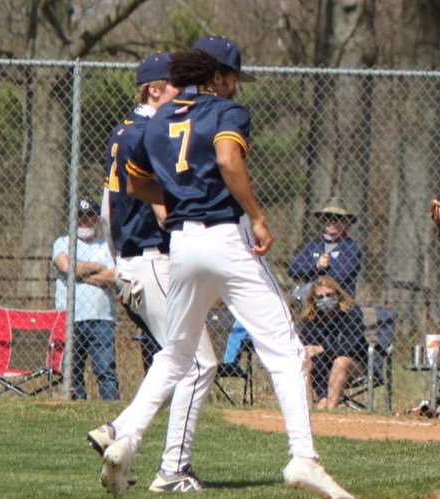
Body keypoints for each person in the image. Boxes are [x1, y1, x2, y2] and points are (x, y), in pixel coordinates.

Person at [91, 36, 353, 499]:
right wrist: (257, 216)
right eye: (232, 77)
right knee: (286, 351)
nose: (236, 85)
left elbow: (133, 183)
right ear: (216, 76)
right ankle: (304, 457)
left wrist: (176, 198)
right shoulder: (227, 113)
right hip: (225, 238)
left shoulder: (159, 120)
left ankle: (124, 433)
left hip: (183, 245)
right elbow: (229, 160)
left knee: (175, 354)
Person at [91, 51, 220, 493]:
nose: (184, 94)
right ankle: (171, 466)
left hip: (133, 259)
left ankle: (121, 436)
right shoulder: (151, 131)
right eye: (175, 87)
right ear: (153, 89)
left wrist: (120, 263)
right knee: (199, 363)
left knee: (178, 361)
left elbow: (109, 210)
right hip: (152, 258)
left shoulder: (125, 130)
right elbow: (166, 212)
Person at [54, 198, 119, 401]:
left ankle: (110, 408)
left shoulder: (107, 245)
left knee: (105, 370)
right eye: (80, 217)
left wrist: (80, 274)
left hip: (102, 319)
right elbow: (65, 266)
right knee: (73, 371)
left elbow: (114, 276)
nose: (84, 222)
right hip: (69, 318)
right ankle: (76, 408)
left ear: (97, 219)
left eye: (89, 216)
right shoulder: (62, 243)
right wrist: (97, 268)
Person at [298, 276, 367, 410]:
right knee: (305, 361)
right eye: (320, 297)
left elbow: (350, 347)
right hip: (321, 367)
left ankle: (330, 409)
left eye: (329, 295)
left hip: (353, 363)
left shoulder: (352, 313)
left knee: (340, 362)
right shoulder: (311, 318)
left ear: (337, 294)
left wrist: (324, 348)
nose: (325, 299)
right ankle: (307, 410)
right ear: (313, 299)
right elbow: (310, 349)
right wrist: (322, 392)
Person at [287, 197, 362, 296]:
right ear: (322, 221)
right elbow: (293, 270)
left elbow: (338, 277)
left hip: (339, 301)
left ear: (345, 222)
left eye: (337, 218)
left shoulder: (351, 248)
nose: (332, 222)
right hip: (312, 298)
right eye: (327, 217)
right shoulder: (313, 246)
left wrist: (309, 275)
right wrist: (316, 266)